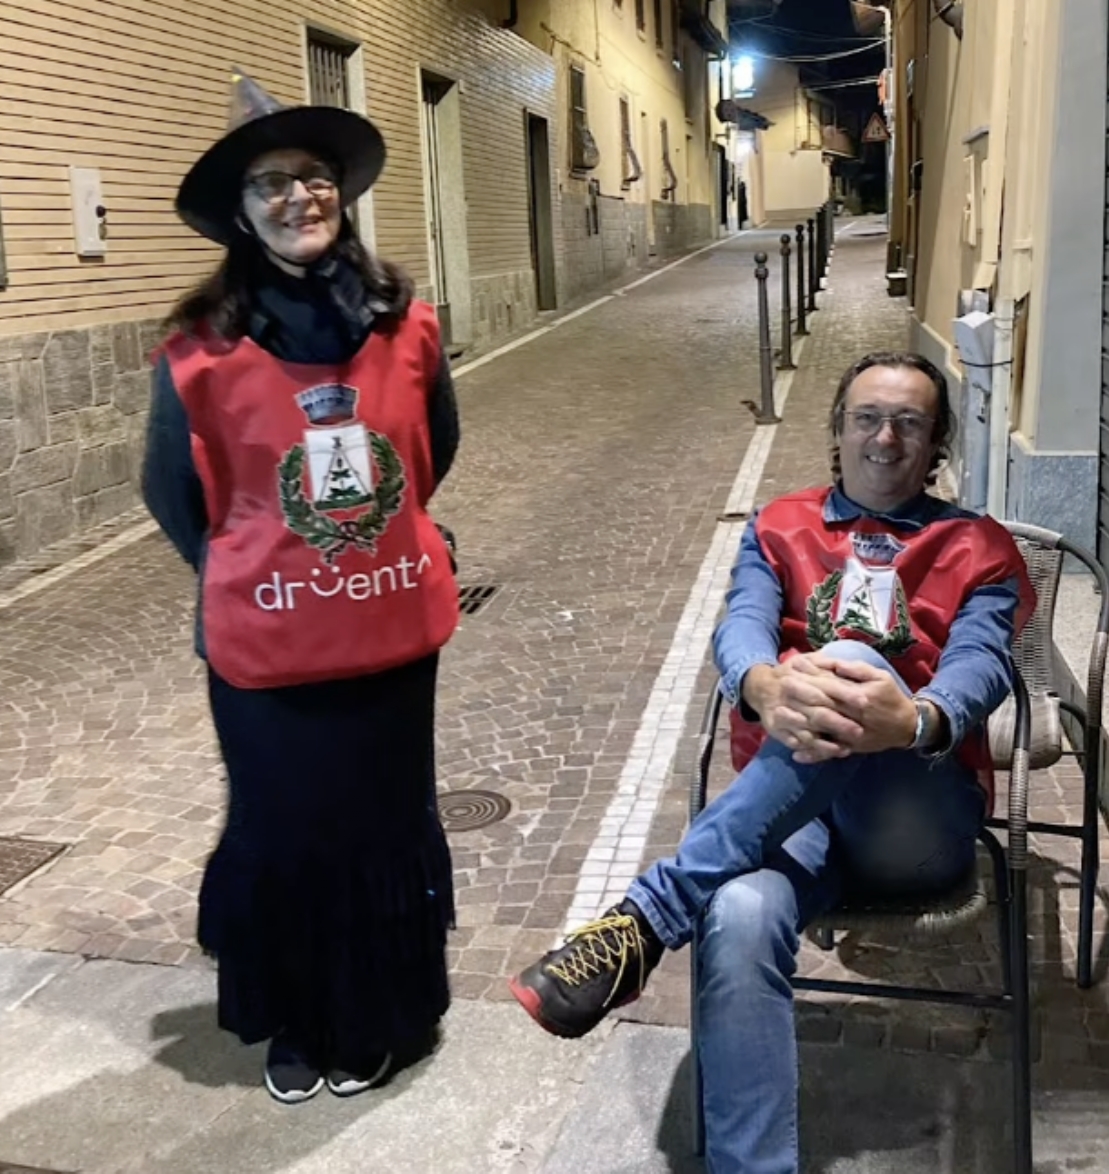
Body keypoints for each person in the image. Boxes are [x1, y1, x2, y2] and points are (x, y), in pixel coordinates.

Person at [510, 352, 1035, 1173]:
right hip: (792, 825)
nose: (885, 438)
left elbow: (982, 663)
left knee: (860, 665)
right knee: (741, 912)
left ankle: (647, 918)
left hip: (914, 815)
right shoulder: (779, 525)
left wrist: (919, 716)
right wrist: (759, 681)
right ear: (836, 429)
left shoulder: (978, 547)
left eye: (909, 422)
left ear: (936, 444)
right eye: (866, 417)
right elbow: (743, 623)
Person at [142, 68, 461, 1105]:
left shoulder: (405, 322)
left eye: (314, 176)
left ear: (341, 190)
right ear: (240, 211)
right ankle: (297, 1015)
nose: (298, 197)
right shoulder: (197, 348)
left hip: (389, 636)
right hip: (265, 646)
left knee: (382, 820)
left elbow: (429, 451)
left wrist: (361, 550)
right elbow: (171, 489)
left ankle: (376, 1010)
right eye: (271, 182)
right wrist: (256, 561)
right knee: (282, 827)